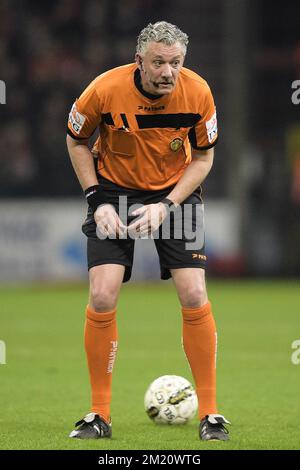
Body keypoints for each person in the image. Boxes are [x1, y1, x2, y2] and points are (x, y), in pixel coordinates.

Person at [66, 21, 230, 441]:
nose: (167, 72)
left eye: (175, 63)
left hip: (177, 195)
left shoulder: (199, 92)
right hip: (114, 192)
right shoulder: (103, 90)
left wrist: (168, 205)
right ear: (139, 60)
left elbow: (204, 159)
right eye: (158, 62)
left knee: (194, 293)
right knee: (102, 295)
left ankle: (210, 415)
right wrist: (95, 200)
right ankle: (98, 415)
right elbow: (76, 141)